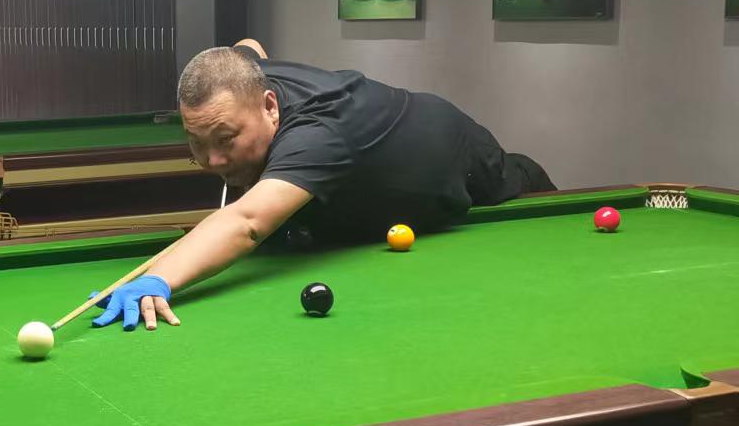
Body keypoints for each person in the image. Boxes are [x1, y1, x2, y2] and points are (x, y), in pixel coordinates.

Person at [93, 39, 554, 332]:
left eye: (226, 139)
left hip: (461, 163)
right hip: (373, 190)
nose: (212, 160)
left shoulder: (318, 135)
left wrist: (160, 278)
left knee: (517, 179)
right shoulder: (246, 80)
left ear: (270, 106)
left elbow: (247, 222)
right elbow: (246, 48)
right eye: (197, 142)